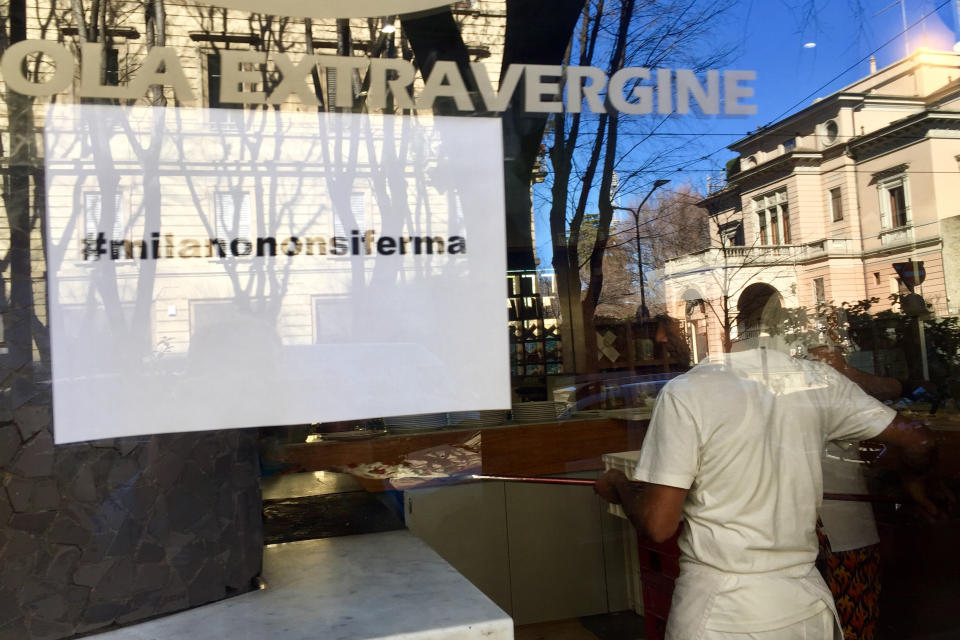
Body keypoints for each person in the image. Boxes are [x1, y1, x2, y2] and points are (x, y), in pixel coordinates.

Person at [595, 340, 944, 640]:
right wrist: (913, 483)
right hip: (806, 607)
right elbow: (920, 440)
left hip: (724, 614)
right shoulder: (817, 380)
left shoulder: (687, 392)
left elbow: (658, 524)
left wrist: (620, 486)